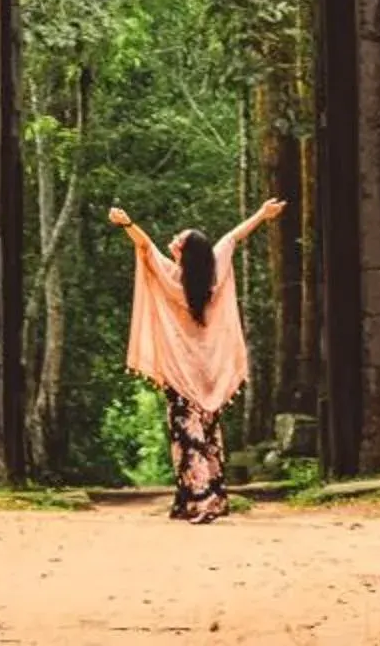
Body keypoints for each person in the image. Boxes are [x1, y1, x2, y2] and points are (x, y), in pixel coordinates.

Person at [107, 195, 286, 522]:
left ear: (185, 252)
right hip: (209, 373)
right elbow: (234, 236)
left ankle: (201, 502)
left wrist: (127, 224)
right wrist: (262, 214)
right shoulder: (213, 271)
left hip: (181, 373)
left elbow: (145, 245)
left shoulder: (171, 277)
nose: (174, 239)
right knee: (208, 436)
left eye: (180, 238)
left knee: (188, 439)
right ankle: (208, 499)